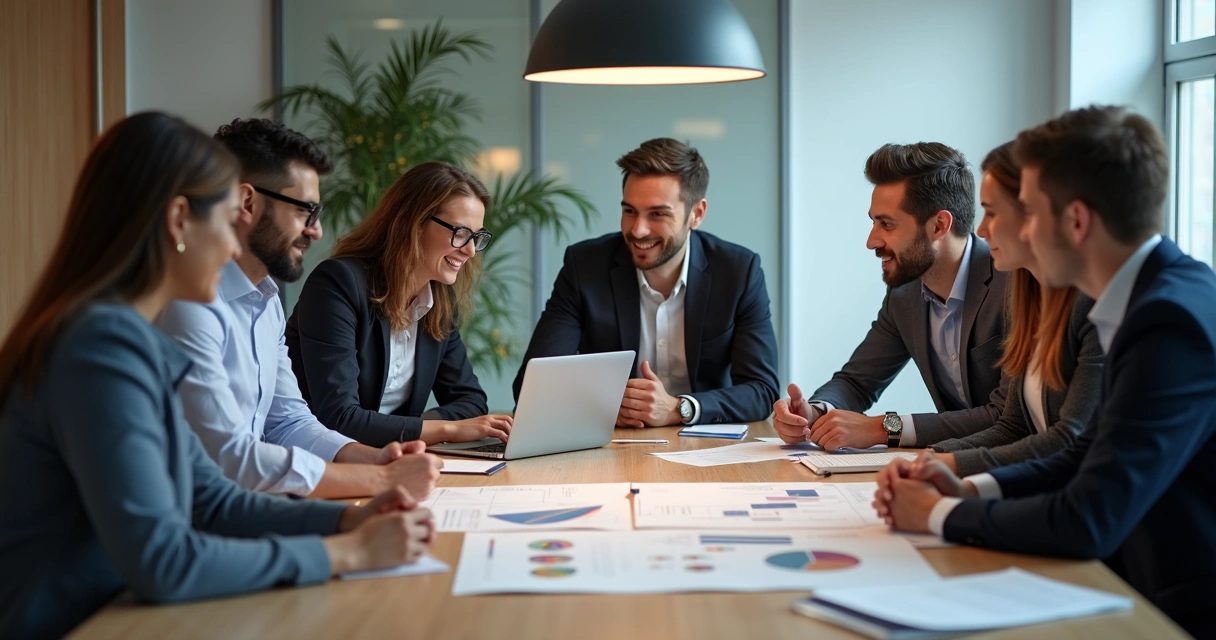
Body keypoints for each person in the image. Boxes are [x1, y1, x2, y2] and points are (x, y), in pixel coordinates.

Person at [0, 112, 433, 640]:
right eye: (227, 222)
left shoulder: (129, 339)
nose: (234, 248)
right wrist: (348, 551)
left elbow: (212, 499)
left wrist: (349, 522)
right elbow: (165, 560)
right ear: (180, 221)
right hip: (81, 623)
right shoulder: (100, 348)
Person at [874, 105, 1216, 637]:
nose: (996, 232)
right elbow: (1083, 454)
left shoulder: (1166, 320)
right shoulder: (1149, 298)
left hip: (1172, 607)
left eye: (1026, 212)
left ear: (1076, 221)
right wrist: (969, 490)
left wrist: (938, 516)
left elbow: (1090, 517)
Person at [157, 118, 441, 499]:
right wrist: (380, 482)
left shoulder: (267, 301)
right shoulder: (187, 306)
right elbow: (228, 459)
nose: (316, 231)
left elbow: (289, 421)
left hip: (248, 508)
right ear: (247, 203)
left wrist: (374, 460)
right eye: (304, 211)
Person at [514, 138, 779, 427]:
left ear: (696, 214)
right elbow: (531, 385)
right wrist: (612, 406)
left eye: (657, 214)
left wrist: (680, 408)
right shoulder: (585, 267)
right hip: (612, 443)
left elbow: (761, 391)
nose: (638, 230)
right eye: (629, 211)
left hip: (704, 444)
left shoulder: (738, 271)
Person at [773, 142, 1010, 451]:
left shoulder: (1012, 283)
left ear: (939, 225)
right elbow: (857, 382)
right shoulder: (905, 293)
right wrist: (814, 412)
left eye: (886, 224)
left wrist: (885, 427)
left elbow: (1007, 415)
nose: (872, 241)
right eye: (873, 221)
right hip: (951, 467)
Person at [898, 142, 1104, 477]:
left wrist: (949, 466)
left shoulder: (1091, 305)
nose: (980, 230)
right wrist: (930, 460)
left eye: (992, 212)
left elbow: (1069, 439)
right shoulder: (1027, 295)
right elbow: (1013, 426)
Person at [287, 162, 513, 447]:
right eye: (460, 232)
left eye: (477, 237)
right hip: (319, 463)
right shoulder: (338, 284)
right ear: (413, 223)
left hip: (393, 460)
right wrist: (446, 430)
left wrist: (414, 430)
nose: (469, 250)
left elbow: (470, 401)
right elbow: (339, 417)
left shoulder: (439, 301)